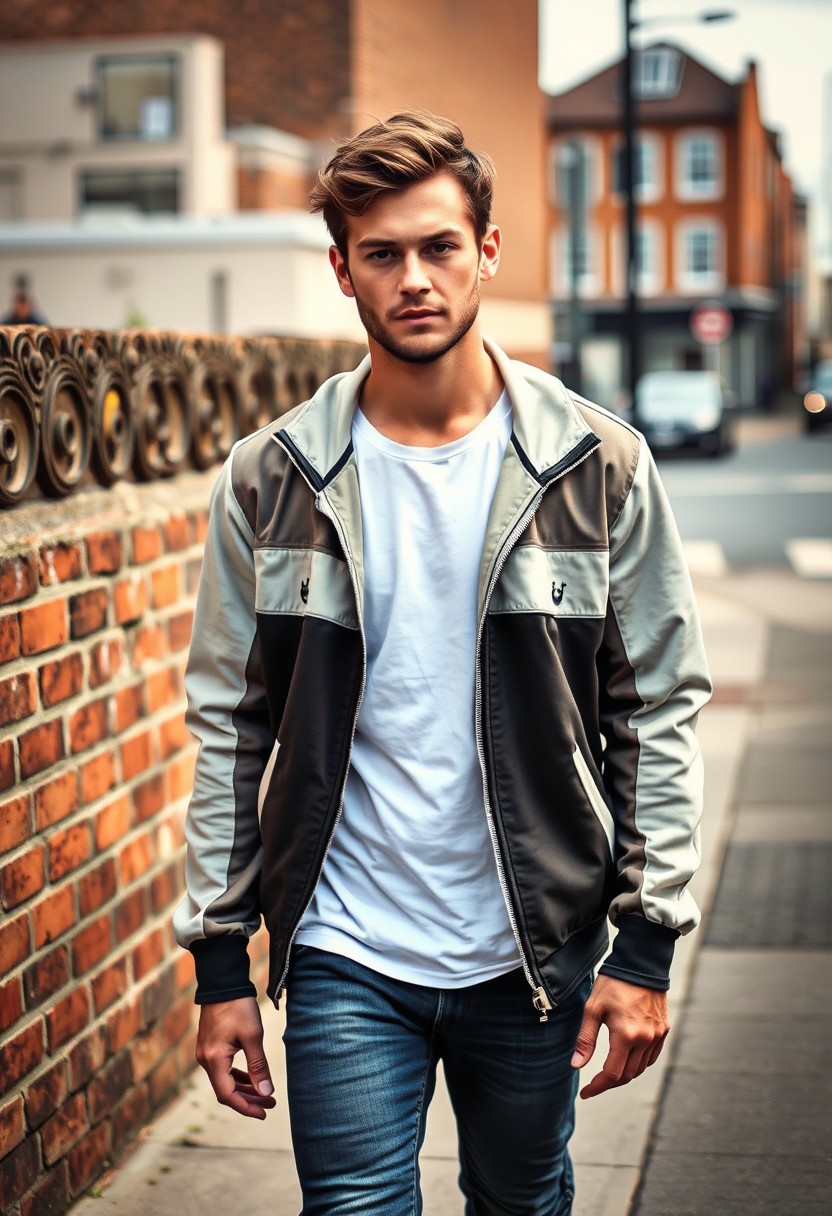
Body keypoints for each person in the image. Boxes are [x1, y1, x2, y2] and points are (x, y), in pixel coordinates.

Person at [174, 110, 711, 1215]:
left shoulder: (596, 464)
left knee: (520, 1198)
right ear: (341, 270)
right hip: (344, 946)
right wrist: (219, 965)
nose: (413, 278)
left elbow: (656, 705)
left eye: (438, 247)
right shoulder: (271, 478)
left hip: (532, 949)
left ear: (488, 252)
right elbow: (229, 722)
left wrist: (646, 944)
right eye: (381, 254)